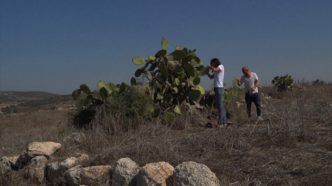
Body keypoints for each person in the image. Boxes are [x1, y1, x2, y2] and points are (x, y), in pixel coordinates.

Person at [208, 58, 227, 127]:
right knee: (220, 106)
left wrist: (209, 67)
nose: (211, 64)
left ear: (215, 62)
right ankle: (224, 122)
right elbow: (211, 77)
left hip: (219, 88)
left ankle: (221, 122)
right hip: (216, 88)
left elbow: (215, 69)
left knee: (220, 106)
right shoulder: (216, 70)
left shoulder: (221, 66)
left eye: (211, 63)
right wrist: (206, 72)